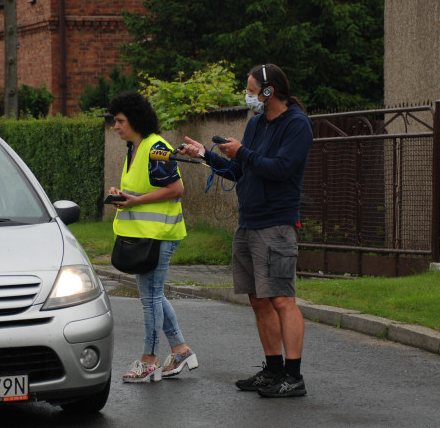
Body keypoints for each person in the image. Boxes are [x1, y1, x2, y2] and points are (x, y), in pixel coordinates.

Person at [178, 64, 313, 398]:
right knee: (258, 300)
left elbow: (281, 169)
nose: (248, 95)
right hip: (249, 222)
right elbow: (240, 169)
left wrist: (244, 153)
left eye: (252, 89)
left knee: (282, 299)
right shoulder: (255, 124)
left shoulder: (297, 125)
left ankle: (293, 377)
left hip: (276, 224)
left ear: (269, 92)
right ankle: (273, 369)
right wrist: (207, 156)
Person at [107, 91, 198, 383]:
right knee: (153, 295)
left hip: (160, 235)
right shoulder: (135, 148)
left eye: (119, 121)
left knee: (150, 299)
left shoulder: (156, 147)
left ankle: (149, 360)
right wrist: (123, 196)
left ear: (134, 120)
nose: (115, 126)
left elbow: (176, 189)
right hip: (145, 237)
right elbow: (143, 189)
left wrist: (134, 201)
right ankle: (181, 350)